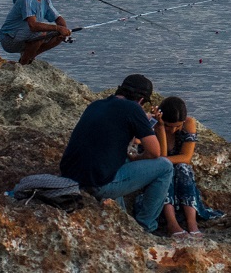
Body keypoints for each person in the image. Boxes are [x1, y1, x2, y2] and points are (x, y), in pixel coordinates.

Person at [60, 74, 174, 236]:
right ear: (141, 100)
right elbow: (155, 152)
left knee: (121, 159)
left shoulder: (96, 105)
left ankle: (122, 218)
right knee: (165, 167)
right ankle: (146, 227)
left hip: (70, 178)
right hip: (96, 185)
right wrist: (137, 158)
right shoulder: (133, 109)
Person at [155, 96, 219, 237]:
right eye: (168, 126)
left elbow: (186, 157)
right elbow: (161, 158)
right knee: (166, 170)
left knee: (183, 168)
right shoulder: (155, 125)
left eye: (177, 126)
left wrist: (166, 161)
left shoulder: (188, 123)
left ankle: (192, 223)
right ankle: (172, 224)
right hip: (158, 171)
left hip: (177, 168)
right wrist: (160, 128)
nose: (172, 130)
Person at [0, 0, 71, 65]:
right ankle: (24, 63)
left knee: (58, 35)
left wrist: (64, 30)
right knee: (40, 33)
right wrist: (58, 28)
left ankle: (28, 57)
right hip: (9, 39)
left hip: (25, 35)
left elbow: (58, 18)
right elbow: (33, 26)